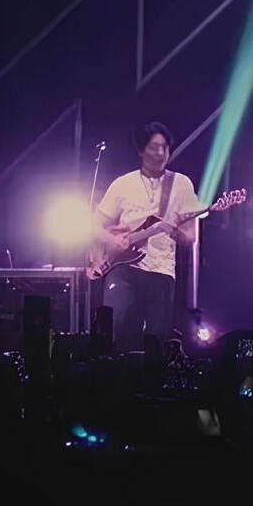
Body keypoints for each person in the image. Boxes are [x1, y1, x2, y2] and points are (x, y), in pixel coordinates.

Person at [94, 122, 200, 352]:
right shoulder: (123, 184)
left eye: (165, 147)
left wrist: (173, 230)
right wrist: (112, 241)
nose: (160, 153)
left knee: (157, 339)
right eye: (154, 147)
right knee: (118, 326)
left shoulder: (181, 184)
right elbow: (94, 225)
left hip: (161, 271)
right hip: (123, 268)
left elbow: (190, 237)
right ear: (141, 150)